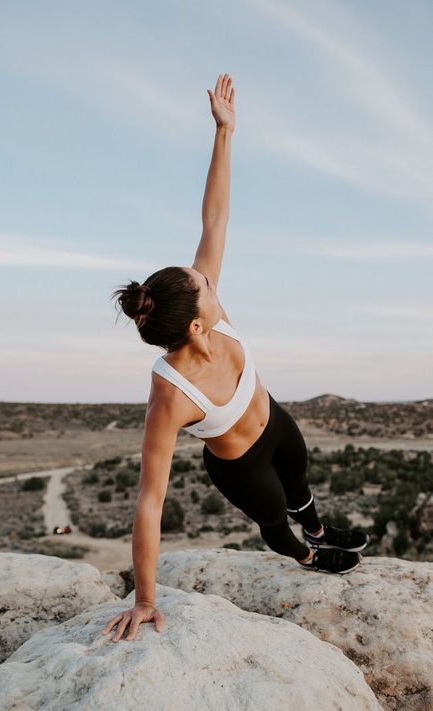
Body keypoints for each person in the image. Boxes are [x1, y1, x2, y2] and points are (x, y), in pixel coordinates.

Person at [102, 73, 369, 644]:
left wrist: (224, 133)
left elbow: (215, 218)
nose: (212, 278)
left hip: (274, 420)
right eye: (205, 284)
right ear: (195, 324)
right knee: (276, 519)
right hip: (240, 463)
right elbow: (150, 502)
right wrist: (144, 599)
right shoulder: (171, 393)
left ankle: (319, 527)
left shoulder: (206, 311)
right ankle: (305, 555)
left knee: (299, 476)